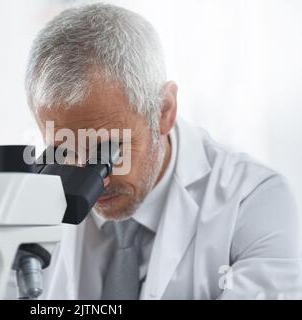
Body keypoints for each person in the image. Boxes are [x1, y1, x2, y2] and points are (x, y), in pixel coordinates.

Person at [24, 3, 302, 299]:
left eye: (106, 150)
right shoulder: (29, 206)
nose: (88, 179)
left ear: (164, 110)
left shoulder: (255, 201)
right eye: (64, 150)